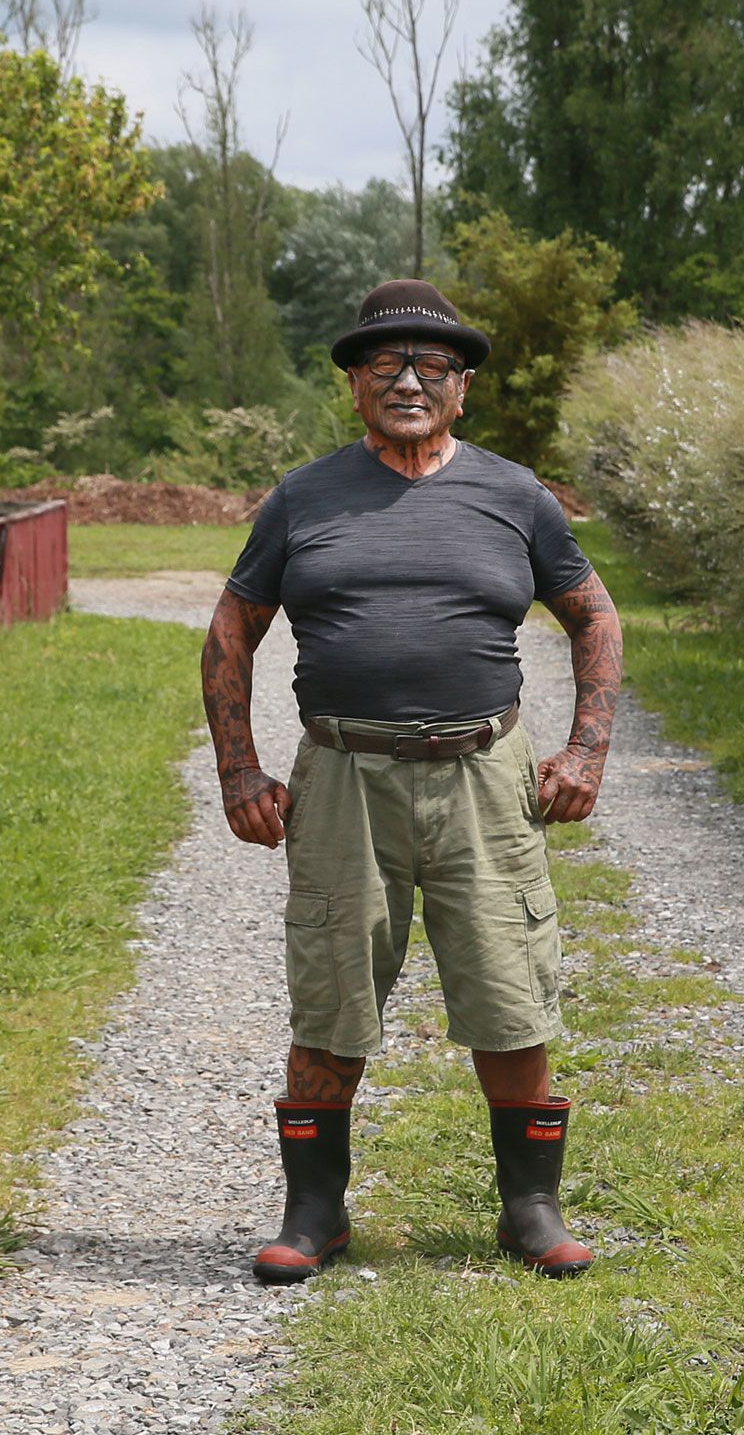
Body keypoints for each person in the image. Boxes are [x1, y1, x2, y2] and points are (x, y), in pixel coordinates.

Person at [199, 279, 624, 1285]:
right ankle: (313, 1217)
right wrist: (237, 770)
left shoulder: (515, 496)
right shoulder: (303, 498)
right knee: (332, 996)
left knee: (509, 994)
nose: (407, 379)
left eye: (431, 364)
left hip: (485, 775)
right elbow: (232, 628)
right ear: (352, 382)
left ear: (462, 387)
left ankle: (530, 1210)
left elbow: (594, 615)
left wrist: (586, 750)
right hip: (344, 777)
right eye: (384, 362)